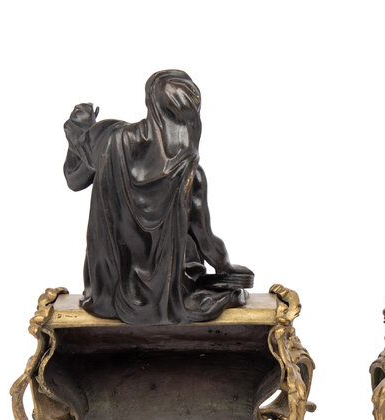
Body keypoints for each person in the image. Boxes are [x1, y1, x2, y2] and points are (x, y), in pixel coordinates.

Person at [63, 70, 252, 325]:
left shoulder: (110, 139)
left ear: (150, 103)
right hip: (166, 296)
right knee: (208, 275)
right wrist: (227, 269)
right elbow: (205, 239)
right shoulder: (191, 176)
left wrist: (80, 133)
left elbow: (74, 179)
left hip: (107, 294)